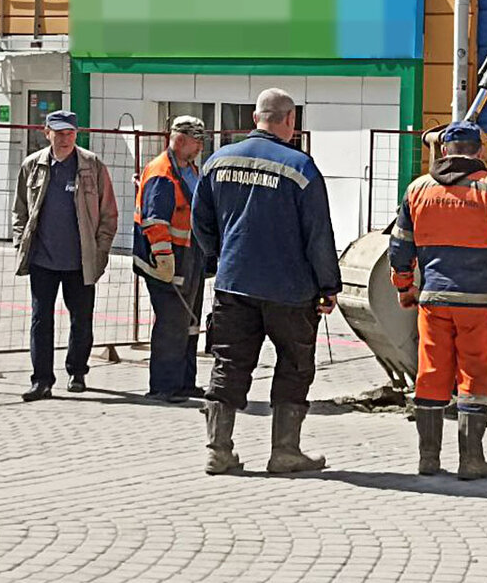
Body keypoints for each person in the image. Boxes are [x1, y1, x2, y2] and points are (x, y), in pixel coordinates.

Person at [192, 88, 341, 475]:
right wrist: (328, 286)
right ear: (289, 120)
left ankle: (218, 450)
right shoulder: (300, 167)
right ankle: (284, 452)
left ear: (256, 117)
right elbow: (318, 234)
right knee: (294, 366)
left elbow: (201, 222)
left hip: (234, 284)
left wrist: (217, 259)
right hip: (289, 290)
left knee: (228, 363)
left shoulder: (217, 161)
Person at [388, 121, 487, 480]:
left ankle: (428, 458)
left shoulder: (418, 189)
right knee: (476, 374)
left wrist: (405, 286)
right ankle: (471, 459)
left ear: (445, 150)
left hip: (434, 300)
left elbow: (400, 246)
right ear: (479, 151)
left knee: (432, 373)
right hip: (478, 302)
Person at [12, 110, 118, 402]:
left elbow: (109, 214)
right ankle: (41, 381)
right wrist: (20, 242)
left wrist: (100, 251)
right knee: (40, 320)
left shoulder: (91, 165)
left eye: (69, 133)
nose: (64, 139)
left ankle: (77, 372)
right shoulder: (32, 165)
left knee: (81, 320)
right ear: (46, 132)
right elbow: (19, 210)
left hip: (81, 261)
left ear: (76, 133)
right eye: (58, 133)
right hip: (42, 261)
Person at [134, 115, 208, 403]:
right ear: (179, 139)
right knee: (171, 323)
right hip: (169, 257)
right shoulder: (162, 173)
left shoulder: (189, 169)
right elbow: (155, 221)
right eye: (196, 141)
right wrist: (163, 258)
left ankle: (185, 382)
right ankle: (164, 385)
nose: (200, 147)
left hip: (190, 254)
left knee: (189, 323)